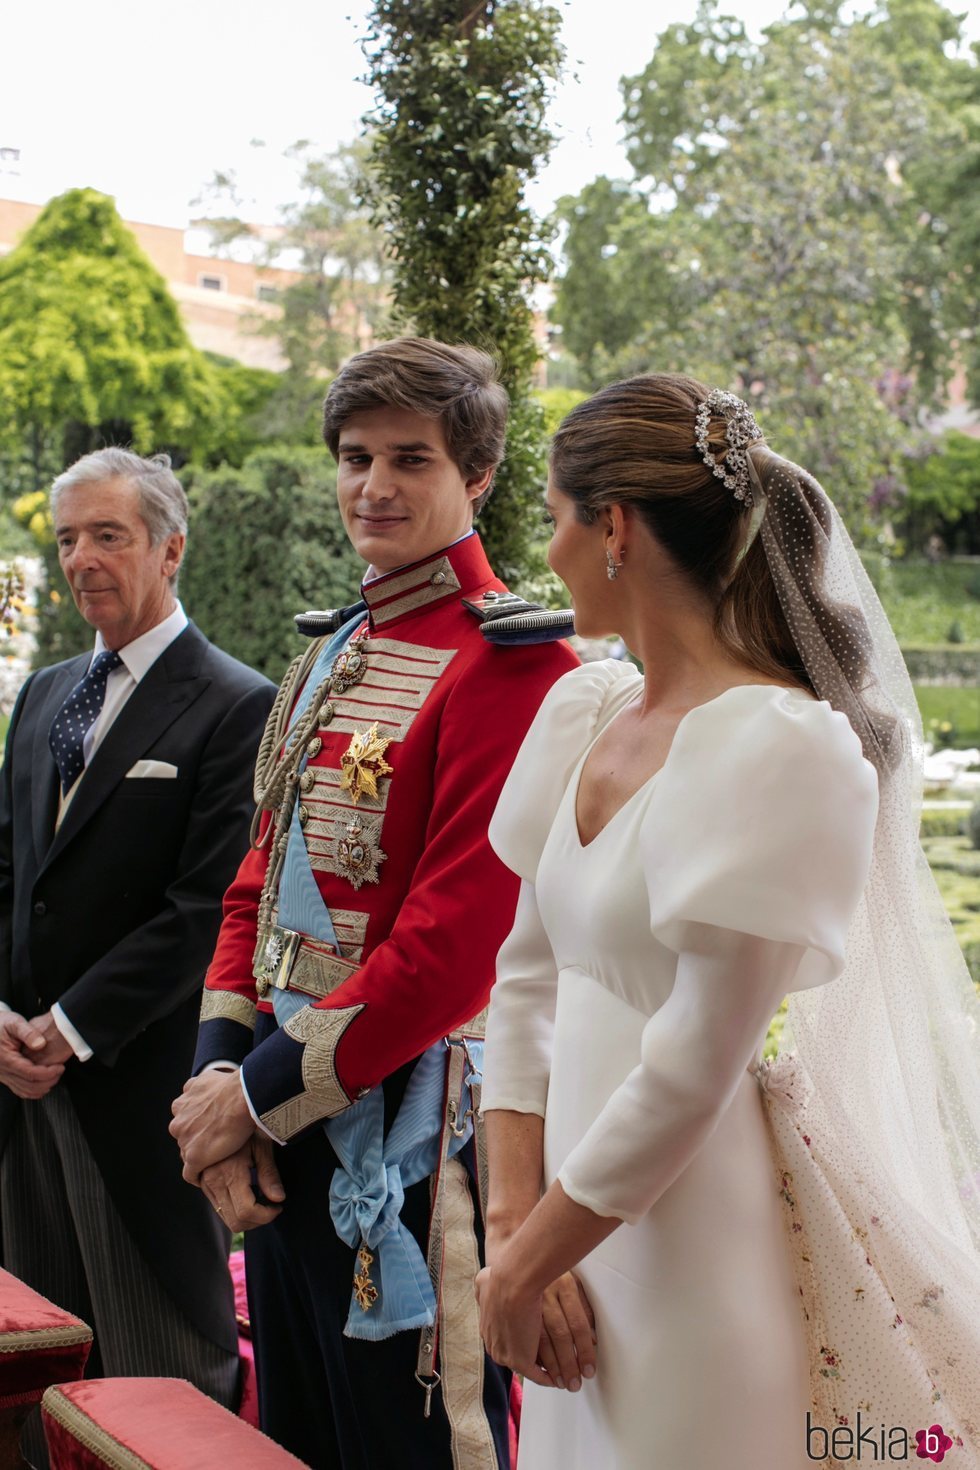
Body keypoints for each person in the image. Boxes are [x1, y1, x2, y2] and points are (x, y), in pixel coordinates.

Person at [475, 375, 980, 1469]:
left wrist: (528, 1256)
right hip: (558, 1225)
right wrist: (511, 1228)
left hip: (686, 1234)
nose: (546, 554)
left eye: (555, 521)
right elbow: (521, 975)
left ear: (610, 529)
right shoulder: (583, 709)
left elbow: (693, 1062)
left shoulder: (780, 749)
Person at [170, 337, 578, 1470]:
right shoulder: (331, 651)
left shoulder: (513, 670)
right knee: (298, 1441)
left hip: (406, 1146)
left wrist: (245, 1102)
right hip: (276, 1125)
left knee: (415, 1446)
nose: (374, 486)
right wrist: (217, 1077)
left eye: (411, 458)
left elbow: (449, 950)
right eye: (354, 457)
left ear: (479, 479)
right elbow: (254, 882)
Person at [0, 448, 275, 1454]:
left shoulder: (235, 702)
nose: (81, 559)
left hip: (139, 1091)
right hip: (18, 1089)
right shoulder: (41, 696)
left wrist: (69, 1030)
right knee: (31, 1365)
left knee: (162, 1374)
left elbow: (203, 909)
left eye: (106, 535)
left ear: (171, 548)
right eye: (67, 539)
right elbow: (7, 872)